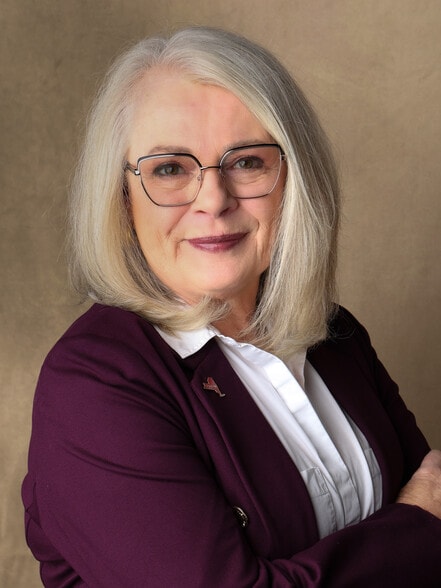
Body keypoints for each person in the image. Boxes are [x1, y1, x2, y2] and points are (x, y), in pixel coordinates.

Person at [22, 26, 441, 587]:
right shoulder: (94, 383)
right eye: (170, 168)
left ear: (293, 178)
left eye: (246, 162)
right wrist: (416, 527)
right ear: (121, 198)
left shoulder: (333, 333)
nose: (214, 200)